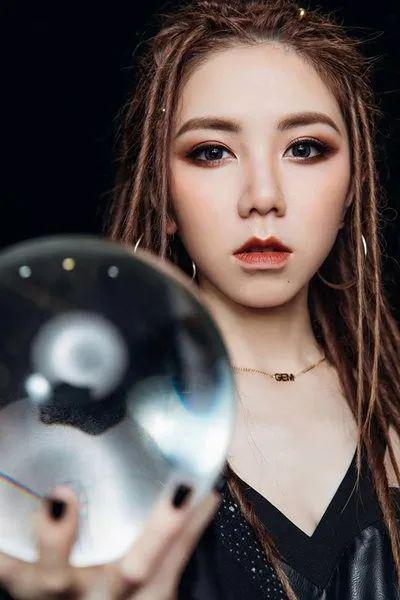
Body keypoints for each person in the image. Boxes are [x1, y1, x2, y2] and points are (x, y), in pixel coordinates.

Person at [0, 0, 399, 598]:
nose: (262, 196)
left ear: (351, 190)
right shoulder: (55, 440)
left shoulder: (390, 399)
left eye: (304, 148)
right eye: (212, 151)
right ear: (163, 193)